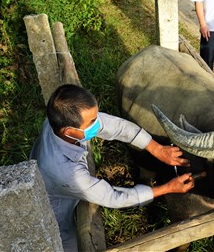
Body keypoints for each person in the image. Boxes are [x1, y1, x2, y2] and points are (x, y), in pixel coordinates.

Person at [30, 84, 195, 251]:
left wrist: (157, 148)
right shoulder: (66, 172)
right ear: (70, 132)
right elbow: (113, 197)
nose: (97, 123)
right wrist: (168, 188)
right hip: (54, 204)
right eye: (92, 121)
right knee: (65, 239)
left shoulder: (59, 122)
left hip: (51, 175)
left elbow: (118, 127)